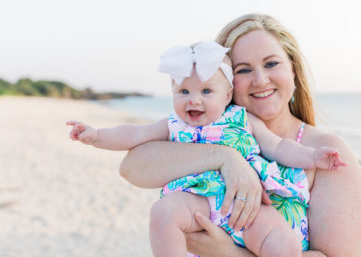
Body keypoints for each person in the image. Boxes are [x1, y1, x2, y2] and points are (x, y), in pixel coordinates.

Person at [119, 14, 361, 256]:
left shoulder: (324, 151)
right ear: (223, 81)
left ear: (293, 71)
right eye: (243, 70)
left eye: (271, 64)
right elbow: (131, 167)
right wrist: (225, 158)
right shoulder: (200, 132)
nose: (260, 80)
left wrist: (228, 254)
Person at [67, 41, 345, 257]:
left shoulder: (242, 119)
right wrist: (96, 135)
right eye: (184, 92)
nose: (194, 101)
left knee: (284, 243)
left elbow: (280, 147)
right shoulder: (174, 125)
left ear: (227, 95)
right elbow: (134, 133)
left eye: (206, 92)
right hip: (196, 202)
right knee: (162, 213)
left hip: (249, 210)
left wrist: (314, 156)